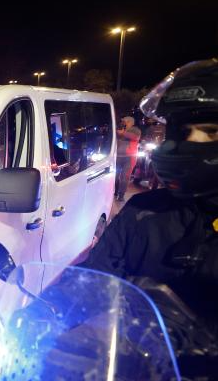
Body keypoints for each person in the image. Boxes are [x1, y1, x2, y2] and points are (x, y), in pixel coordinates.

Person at [82, 59, 218, 331]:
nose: (190, 142)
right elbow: (91, 283)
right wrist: (46, 313)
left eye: (211, 131)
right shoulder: (142, 211)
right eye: (182, 131)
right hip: (133, 355)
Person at [114, 115, 141, 202]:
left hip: (129, 158)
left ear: (130, 122)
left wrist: (123, 133)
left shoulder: (135, 130)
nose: (123, 123)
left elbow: (135, 137)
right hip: (117, 156)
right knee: (115, 176)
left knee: (125, 177)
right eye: (123, 121)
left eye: (125, 121)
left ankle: (121, 195)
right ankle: (115, 192)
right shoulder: (119, 128)